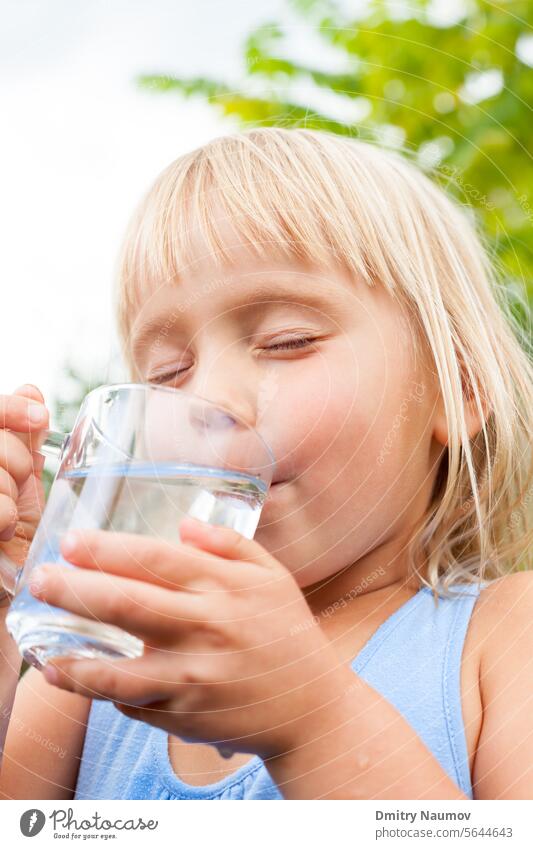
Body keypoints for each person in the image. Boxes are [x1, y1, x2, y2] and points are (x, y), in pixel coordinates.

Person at [0, 127, 531, 800]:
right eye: (167, 374)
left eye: (288, 340)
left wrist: (313, 723)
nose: (209, 397)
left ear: (457, 390)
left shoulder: (506, 638)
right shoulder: (96, 667)